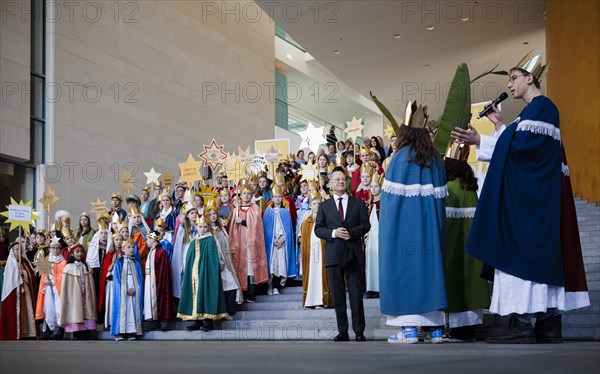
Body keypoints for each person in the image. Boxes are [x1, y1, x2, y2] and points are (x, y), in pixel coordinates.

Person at [452, 52, 590, 344]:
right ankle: (546, 325)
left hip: (529, 203)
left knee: (517, 254)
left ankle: (523, 324)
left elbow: (525, 150)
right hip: (532, 199)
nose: (510, 85)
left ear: (530, 78)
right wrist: (500, 127)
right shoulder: (531, 113)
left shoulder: (543, 107)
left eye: (514, 78)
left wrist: (482, 140)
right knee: (534, 260)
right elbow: (521, 148)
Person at [379, 102, 447, 344]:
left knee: (405, 270)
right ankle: (435, 329)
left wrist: (387, 232)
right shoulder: (437, 159)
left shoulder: (399, 159)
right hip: (430, 230)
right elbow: (441, 201)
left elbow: (389, 204)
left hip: (404, 230)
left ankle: (409, 329)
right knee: (430, 270)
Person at [315, 167, 371, 342]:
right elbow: (318, 229)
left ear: (346, 182)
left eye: (342, 179)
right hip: (334, 255)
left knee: (356, 296)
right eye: (336, 179)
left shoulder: (358, 203)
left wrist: (351, 232)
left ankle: (359, 331)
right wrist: (334, 233)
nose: (340, 182)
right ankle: (343, 331)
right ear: (330, 183)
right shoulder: (325, 206)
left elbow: (365, 225)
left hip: (353, 253)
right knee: (338, 296)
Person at [442, 146, 490, 342]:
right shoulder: (470, 189)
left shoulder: (449, 189)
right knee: (472, 285)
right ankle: (470, 329)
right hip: (473, 250)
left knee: (457, 285)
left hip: (454, 249)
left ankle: (459, 331)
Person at [178, 216, 228, 331]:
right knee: (195, 294)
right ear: (196, 227)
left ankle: (208, 321)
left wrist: (213, 268)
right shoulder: (194, 241)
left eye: (205, 227)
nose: (203, 229)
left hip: (206, 273)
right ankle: (196, 320)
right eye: (200, 227)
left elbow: (214, 257)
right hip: (194, 275)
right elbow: (189, 258)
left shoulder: (210, 240)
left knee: (206, 293)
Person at [229, 180, 269, 303]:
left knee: (250, 268)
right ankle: (242, 294)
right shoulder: (236, 210)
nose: (246, 196)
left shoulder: (255, 208)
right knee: (240, 267)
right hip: (240, 243)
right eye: (244, 193)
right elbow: (232, 228)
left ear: (251, 196)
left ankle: (251, 294)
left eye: (248, 193)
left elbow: (256, 224)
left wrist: (242, 222)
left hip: (251, 243)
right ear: (240, 195)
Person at [300, 188, 333, 309]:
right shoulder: (305, 223)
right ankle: (310, 301)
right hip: (311, 254)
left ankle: (323, 300)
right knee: (312, 274)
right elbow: (303, 241)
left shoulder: (327, 221)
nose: (316, 206)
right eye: (314, 204)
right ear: (310, 205)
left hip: (323, 253)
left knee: (322, 275)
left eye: (319, 203)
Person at [0, 239, 37, 340]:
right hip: (15, 292)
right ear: (12, 251)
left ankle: (28, 332)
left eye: (20, 249)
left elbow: (32, 275)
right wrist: (18, 274)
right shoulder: (11, 263)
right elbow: (10, 280)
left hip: (26, 291)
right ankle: (16, 332)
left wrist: (25, 273)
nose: (18, 251)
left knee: (27, 309)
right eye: (16, 249)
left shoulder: (25, 261)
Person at [263, 186, 296, 295]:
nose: (277, 199)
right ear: (272, 198)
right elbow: (265, 229)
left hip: (282, 244)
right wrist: (272, 240)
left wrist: (282, 240)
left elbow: (288, 230)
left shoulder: (285, 212)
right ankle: (269, 285)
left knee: (279, 265)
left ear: (282, 198)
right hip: (271, 243)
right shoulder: (268, 212)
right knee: (271, 265)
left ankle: (276, 287)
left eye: (279, 197)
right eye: (275, 197)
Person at [60, 244, 97, 340]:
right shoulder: (69, 267)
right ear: (72, 253)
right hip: (75, 294)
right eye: (77, 251)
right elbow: (66, 286)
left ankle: (86, 332)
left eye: (81, 251)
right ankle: (77, 332)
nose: (79, 254)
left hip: (86, 293)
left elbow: (90, 281)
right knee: (76, 309)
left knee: (88, 309)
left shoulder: (86, 265)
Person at [111, 239, 144, 341]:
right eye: (129, 247)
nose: (131, 249)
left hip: (134, 290)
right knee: (122, 308)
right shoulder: (119, 263)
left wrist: (136, 289)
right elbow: (116, 280)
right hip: (123, 291)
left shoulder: (137, 264)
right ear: (123, 249)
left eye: (133, 247)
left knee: (132, 309)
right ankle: (120, 331)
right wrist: (125, 290)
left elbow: (140, 280)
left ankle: (131, 331)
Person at [35, 237, 68, 340]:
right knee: (48, 309)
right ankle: (48, 331)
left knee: (59, 309)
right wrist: (45, 281)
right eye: (53, 248)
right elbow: (43, 276)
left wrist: (54, 281)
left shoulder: (63, 262)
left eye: (57, 248)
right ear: (49, 249)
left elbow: (63, 277)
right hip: (48, 289)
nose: (55, 250)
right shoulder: (45, 261)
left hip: (59, 289)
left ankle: (60, 332)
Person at [143, 231, 174, 332]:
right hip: (150, 282)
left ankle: (164, 320)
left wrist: (160, 283)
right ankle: (155, 321)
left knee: (162, 298)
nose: (146, 241)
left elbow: (164, 270)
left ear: (153, 239)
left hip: (159, 281)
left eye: (148, 239)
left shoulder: (161, 252)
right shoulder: (151, 251)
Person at [364, 174, 383, 299]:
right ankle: (371, 287)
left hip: (380, 237)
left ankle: (380, 288)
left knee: (379, 261)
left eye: (376, 186)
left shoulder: (384, 203)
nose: (374, 189)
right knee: (370, 261)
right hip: (370, 238)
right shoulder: (368, 204)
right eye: (371, 186)